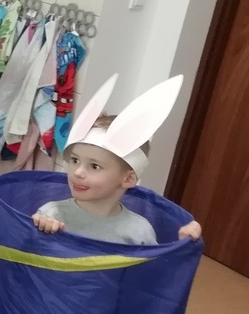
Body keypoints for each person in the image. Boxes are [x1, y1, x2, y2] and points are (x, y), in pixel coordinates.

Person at [33, 75, 202, 244]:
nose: (78, 172)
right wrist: (40, 230)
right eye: (75, 160)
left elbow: (155, 262)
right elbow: (25, 253)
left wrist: (182, 244)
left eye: (94, 166)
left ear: (128, 179)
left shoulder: (139, 231)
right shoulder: (51, 214)